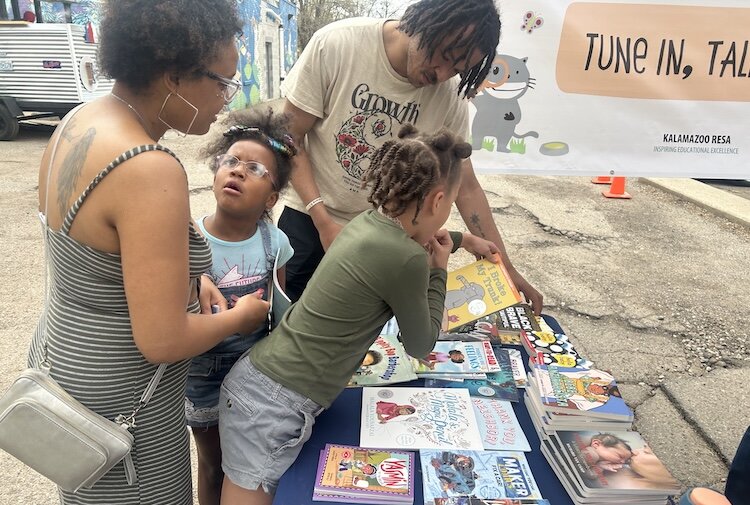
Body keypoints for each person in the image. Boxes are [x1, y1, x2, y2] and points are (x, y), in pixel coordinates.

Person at [27, 1, 269, 503]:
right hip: (125, 400)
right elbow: (161, 340)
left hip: (70, 362)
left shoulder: (82, 117)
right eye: (222, 82)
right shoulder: (148, 167)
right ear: (172, 72)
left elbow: (102, 257)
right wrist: (240, 317)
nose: (227, 99)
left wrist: (186, 276)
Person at [218, 125, 501, 505]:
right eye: (448, 205)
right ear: (436, 201)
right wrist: (439, 270)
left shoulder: (367, 223)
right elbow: (421, 342)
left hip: (262, 384)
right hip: (275, 402)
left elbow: (417, 237)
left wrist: (464, 239)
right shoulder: (408, 259)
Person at [277, 0, 544, 315]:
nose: (442, 74)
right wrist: (323, 221)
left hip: (385, 235)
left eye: (457, 69)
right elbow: (288, 136)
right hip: (310, 219)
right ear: (424, 20)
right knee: (287, 322)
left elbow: (467, 186)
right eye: (444, 55)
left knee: (364, 342)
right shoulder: (338, 44)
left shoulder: (448, 95)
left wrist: (506, 269)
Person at [187, 107, 296, 505]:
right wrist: (198, 278)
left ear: (272, 196)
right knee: (214, 465)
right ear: (215, 171)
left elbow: (280, 309)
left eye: (254, 168)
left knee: (248, 464)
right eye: (230, 161)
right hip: (202, 373)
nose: (236, 171)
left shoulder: (275, 242)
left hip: (254, 373)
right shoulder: (187, 237)